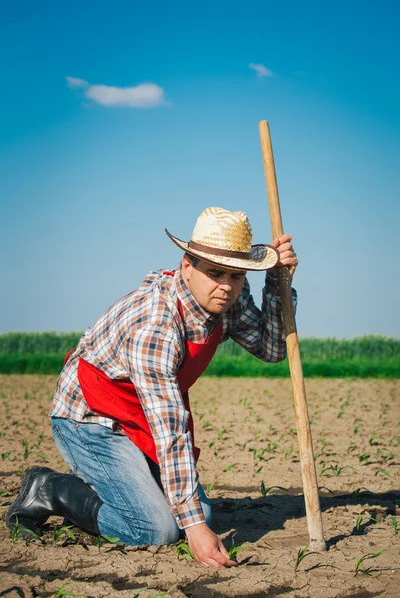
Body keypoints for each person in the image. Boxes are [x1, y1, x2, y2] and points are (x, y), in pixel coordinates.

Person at [6, 206, 298, 569]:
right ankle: (50, 489)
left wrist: (277, 282)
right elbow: (169, 423)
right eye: (215, 273)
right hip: (91, 417)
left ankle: (124, 488)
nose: (226, 286)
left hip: (138, 415)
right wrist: (191, 526)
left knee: (199, 515)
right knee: (155, 528)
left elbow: (271, 349)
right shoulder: (156, 321)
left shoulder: (226, 305)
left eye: (237, 276)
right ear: (187, 266)